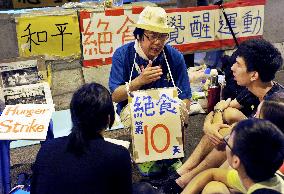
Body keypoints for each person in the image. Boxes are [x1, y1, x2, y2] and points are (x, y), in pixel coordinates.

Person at [158, 38, 284, 192]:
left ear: (254, 75)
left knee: (226, 137)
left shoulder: (272, 108)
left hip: (264, 170)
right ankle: (182, 172)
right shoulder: (256, 88)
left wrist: (213, 125)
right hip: (252, 153)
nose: (232, 68)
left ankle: (183, 181)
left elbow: (243, 140)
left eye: (238, 64)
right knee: (228, 117)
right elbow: (220, 108)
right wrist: (209, 124)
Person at [109, 6, 191, 176]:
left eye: (162, 36)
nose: (158, 42)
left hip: (165, 106)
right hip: (134, 108)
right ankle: (145, 156)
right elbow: (115, 96)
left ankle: (171, 155)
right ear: (139, 35)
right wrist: (139, 81)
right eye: (152, 36)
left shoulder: (174, 57)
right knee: (142, 115)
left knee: (179, 109)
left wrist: (182, 113)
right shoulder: (122, 55)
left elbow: (186, 95)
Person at [31, 83, 132, 194]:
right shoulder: (118, 155)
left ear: (73, 115)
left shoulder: (47, 148)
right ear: (109, 118)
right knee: (144, 188)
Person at [182, 119, 284, 194]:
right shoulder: (262, 176)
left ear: (236, 161)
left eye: (227, 140)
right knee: (213, 187)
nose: (225, 141)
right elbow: (211, 173)